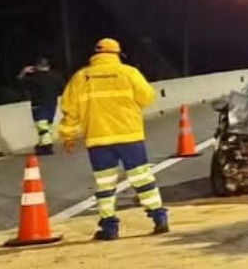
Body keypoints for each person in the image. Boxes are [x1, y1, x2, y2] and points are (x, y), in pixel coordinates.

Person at [57, 38, 169, 240]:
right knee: (142, 178)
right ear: (117, 54)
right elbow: (148, 98)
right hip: (130, 136)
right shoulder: (129, 72)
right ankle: (159, 218)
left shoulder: (81, 77)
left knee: (105, 184)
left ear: (95, 54)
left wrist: (68, 135)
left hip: (98, 139)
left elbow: (69, 110)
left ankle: (109, 229)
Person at [17, 57, 65, 156]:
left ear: (37, 66)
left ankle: (46, 146)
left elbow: (20, 83)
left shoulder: (35, 78)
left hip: (39, 105)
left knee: (42, 126)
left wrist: (23, 72)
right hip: (52, 104)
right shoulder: (55, 76)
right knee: (48, 125)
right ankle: (43, 144)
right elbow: (62, 86)